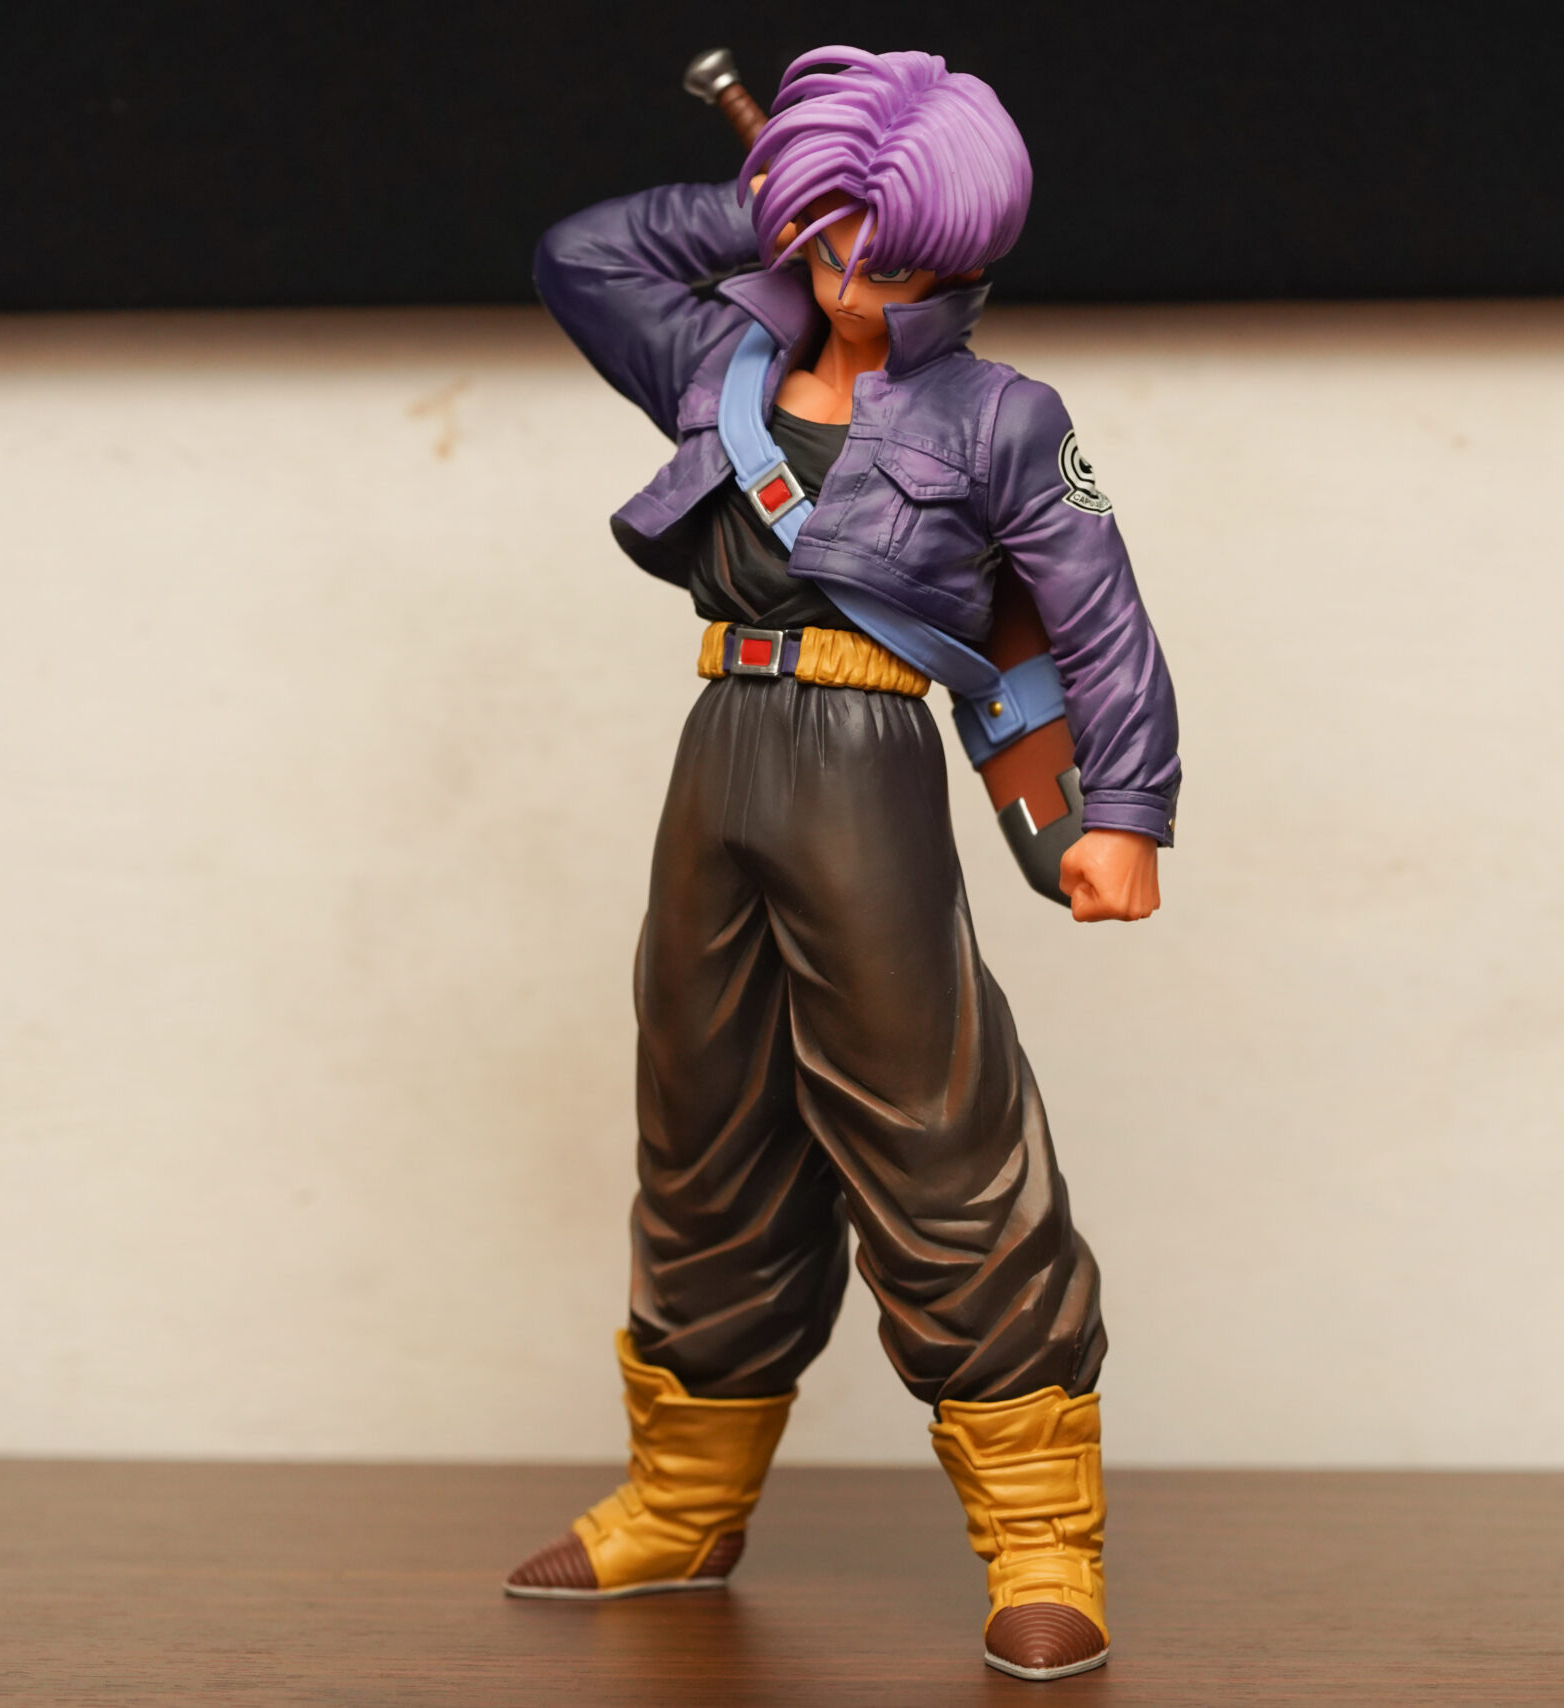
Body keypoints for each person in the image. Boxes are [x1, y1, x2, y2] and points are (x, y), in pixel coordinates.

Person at [503, 45, 1178, 1683]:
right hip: (719, 756)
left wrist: (1126, 809)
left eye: (899, 257)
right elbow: (581, 256)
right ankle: (685, 1500)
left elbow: (1098, 613)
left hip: (868, 767)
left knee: (936, 1128)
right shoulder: (717, 354)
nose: (861, 283)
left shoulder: (1002, 416)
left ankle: (1043, 1536)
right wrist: (770, 197)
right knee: (704, 1121)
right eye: (838, 247)